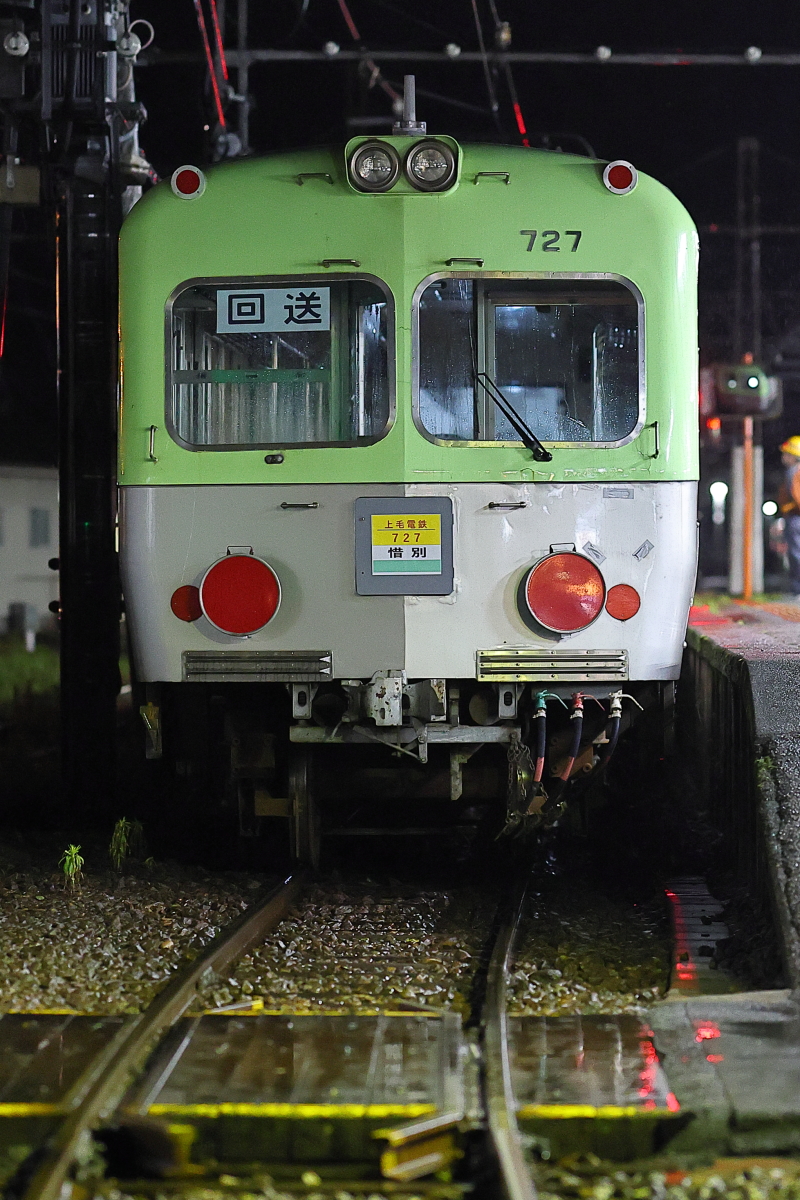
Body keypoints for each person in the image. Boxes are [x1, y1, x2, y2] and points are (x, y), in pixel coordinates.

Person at [778, 436, 800, 596]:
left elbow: (797, 495)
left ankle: (797, 589)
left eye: (787, 453)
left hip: (795, 518)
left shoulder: (795, 473)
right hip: (793, 517)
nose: (783, 457)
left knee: (796, 553)